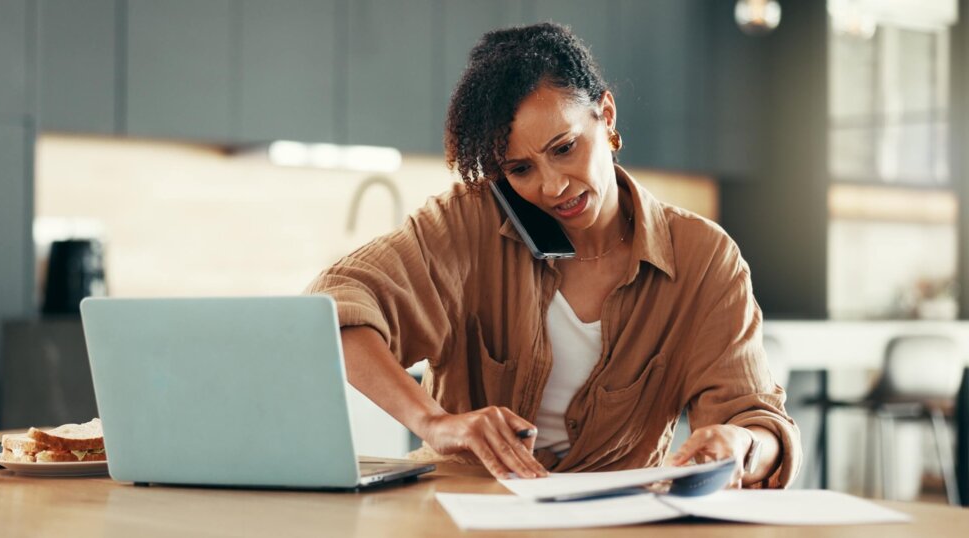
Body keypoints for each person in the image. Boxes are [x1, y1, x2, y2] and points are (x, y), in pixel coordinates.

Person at [307, 22, 800, 488]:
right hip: (462, 509)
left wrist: (742, 444)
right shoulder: (468, 224)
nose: (552, 186)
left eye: (564, 148)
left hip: (615, 519)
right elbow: (330, 307)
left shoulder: (703, 257)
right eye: (521, 169)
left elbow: (755, 417)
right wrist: (432, 421)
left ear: (606, 116)